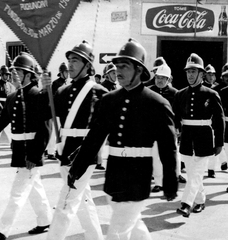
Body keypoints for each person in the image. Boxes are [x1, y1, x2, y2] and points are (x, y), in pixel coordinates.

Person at [67, 38, 178, 240]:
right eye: (117, 66)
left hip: (138, 177)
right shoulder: (109, 101)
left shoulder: (156, 103)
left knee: (117, 232)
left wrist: (170, 180)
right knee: (133, 225)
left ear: (139, 70)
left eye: (124, 66)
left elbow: (168, 146)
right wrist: (77, 168)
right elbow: (94, 138)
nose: (118, 71)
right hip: (114, 174)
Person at [0, 52, 52, 240]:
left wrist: (35, 156)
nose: (12, 75)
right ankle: (45, 220)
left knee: (17, 192)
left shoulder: (38, 95)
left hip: (30, 152)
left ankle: (1, 230)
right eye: (12, 72)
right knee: (34, 188)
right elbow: (2, 120)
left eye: (16, 72)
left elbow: (45, 129)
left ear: (28, 74)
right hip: (19, 149)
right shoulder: (12, 97)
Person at [46, 40, 108, 240]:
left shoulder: (99, 91)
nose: (70, 65)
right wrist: (44, 89)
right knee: (82, 200)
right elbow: (47, 112)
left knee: (66, 201)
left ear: (88, 65)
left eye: (75, 60)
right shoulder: (62, 91)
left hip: (85, 153)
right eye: (69, 60)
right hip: (64, 150)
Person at [173, 53, 225, 218]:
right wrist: (175, 131)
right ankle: (201, 200)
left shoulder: (211, 94)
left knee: (196, 174)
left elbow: (219, 119)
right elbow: (175, 117)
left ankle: (186, 204)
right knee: (192, 174)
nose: (190, 75)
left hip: (204, 137)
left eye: (194, 71)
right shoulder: (180, 94)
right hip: (187, 139)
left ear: (202, 74)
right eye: (188, 71)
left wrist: (219, 142)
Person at [149, 64, 186, 193]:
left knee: (173, 155)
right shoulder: (149, 91)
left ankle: (175, 175)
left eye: (163, 78)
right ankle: (159, 182)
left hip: (170, 129)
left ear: (168, 79)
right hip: (153, 129)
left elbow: (179, 112)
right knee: (156, 156)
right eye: (158, 77)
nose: (159, 80)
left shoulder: (175, 93)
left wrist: (178, 127)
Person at [203, 64, 228, 177]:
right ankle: (211, 169)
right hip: (217, 121)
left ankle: (223, 163)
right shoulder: (216, 90)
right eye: (226, 76)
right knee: (216, 144)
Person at [45, 62, 69, 160]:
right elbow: (54, 98)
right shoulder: (56, 83)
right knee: (54, 133)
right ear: (61, 72)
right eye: (66, 72)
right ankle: (51, 152)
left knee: (60, 133)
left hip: (63, 111)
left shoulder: (66, 83)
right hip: (56, 111)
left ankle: (54, 150)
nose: (67, 74)